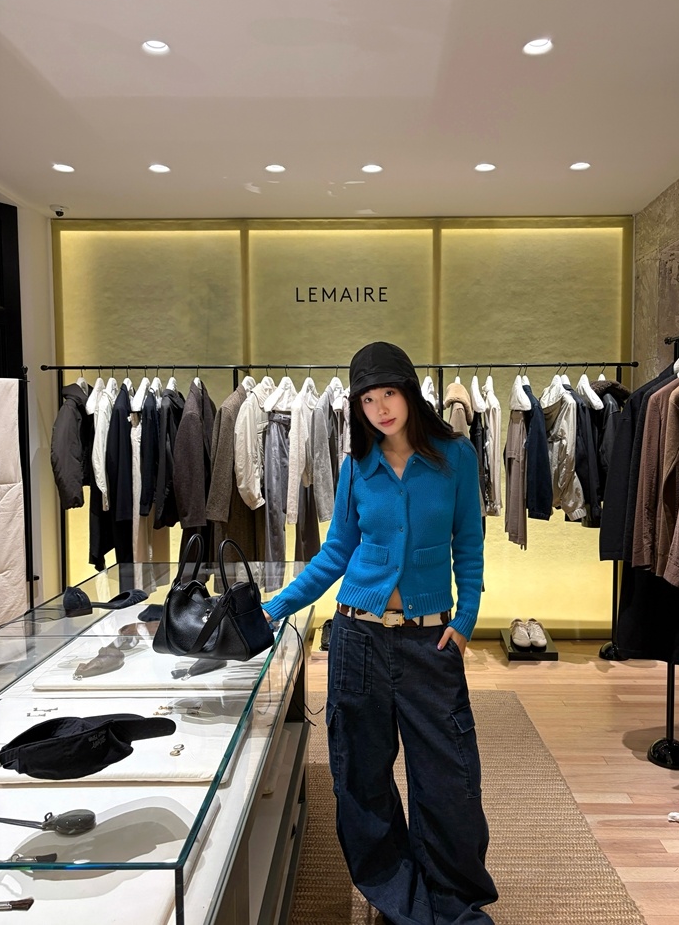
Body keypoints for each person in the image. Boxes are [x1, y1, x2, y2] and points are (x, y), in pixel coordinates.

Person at [262, 341, 498, 925]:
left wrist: (464, 621)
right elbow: (335, 552)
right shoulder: (356, 467)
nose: (380, 409)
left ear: (410, 392)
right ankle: (400, 902)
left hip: (429, 642)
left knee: (449, 778)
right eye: (367, 400)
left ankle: (455, 902)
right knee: (361, 778)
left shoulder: (455, 456)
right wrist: (278, 605)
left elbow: (469, 545)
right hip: (357, 639)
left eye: (388, 393)